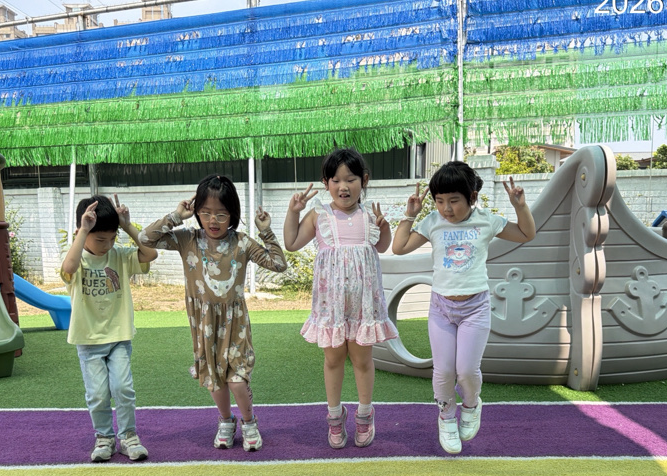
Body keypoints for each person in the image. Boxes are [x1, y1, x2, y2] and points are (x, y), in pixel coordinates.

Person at [392, 161, 535, 454]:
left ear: (472, 196)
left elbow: (525, 234)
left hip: (475, 308)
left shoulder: (486, 221)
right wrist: (410, 215)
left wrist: (520, 206)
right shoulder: (432, 222)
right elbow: (399, 247)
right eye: (439, 200)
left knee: (467, 370)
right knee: (444, 371)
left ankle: (471, 405)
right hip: (441, 308)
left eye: (454, 200)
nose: (446, 208)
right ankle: (446, 418)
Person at [139, 174, 287, 452]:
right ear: (196, 212)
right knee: (214, 379)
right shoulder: (187, 239)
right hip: (203, 323)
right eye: (205, 212)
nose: (213, 220)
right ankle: (226, 421)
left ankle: (249, 422)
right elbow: (146, 238)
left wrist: (266, 231)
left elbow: (279, 264)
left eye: (221, 214)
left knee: (237, 380)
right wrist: (176, 216)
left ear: (232, 214)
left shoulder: (242, 242)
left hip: (235, 323)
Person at [284, 147, 398, 449]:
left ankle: (365, 413)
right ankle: (335, 416)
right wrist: (293, 212)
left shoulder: (369, 215)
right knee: (333, 359)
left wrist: (384, 227)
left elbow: (382, 247)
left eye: (350, 179)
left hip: (363, 306)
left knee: (362, 360)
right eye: (335, 180)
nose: (343, 186)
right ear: (326, 183)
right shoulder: (318, 215)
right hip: (331, 306)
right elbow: (291, 243)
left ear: (364, 180)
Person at [61, 194, 159, 462]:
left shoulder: (120, 256)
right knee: (97, 394)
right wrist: (83, 230)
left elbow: (150, 253)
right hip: (88, 340)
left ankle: (128, 436)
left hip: (118, 337)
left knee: (123, 388)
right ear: (83, 233)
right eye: (100, 239)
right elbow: (68, 267)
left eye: (112, 238)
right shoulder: (77, 259)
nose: (108, 245)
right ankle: (104, 437)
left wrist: (126, 226)